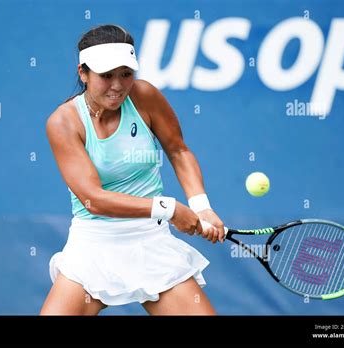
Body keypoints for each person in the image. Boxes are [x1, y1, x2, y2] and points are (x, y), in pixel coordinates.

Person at [40, 24, 225, 316]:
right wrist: (171, 209)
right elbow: (95, 200)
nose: (117, 86)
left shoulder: (144, 96)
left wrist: (201, 206)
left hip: (151, 242)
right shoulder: (63, 122)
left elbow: (178, 150)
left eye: (125, 74)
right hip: (92, 246)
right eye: (106, 76)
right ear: (83, 73)